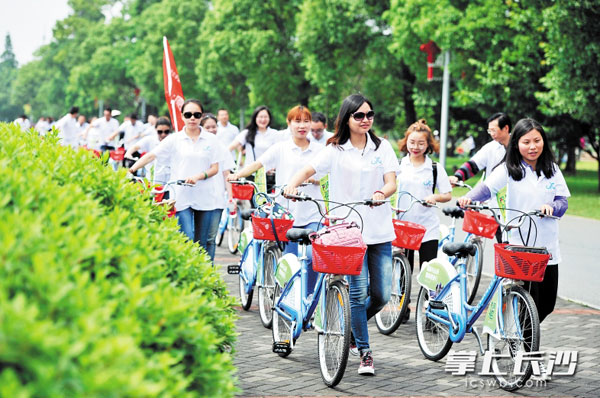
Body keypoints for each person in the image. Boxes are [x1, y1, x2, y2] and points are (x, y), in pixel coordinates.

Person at [284, 94, 399, 376]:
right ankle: (365, 352)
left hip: (380, 229)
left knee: (382, 296)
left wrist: (380, 193)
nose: (365, 120)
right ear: (347, 118)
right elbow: (308, 170)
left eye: (369, 114)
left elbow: (392, 181)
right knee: (358, 294)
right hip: (348, 233)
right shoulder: (335, 149)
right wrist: (292, 185)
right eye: (359, 115)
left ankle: (347, 328)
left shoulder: (382, 147)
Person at [458, 118, 570, 371]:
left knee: (547, 304)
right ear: (516, 144)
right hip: (520, 244)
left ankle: (516, 331)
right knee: (527, 299)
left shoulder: (552, 168)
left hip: (548, 247)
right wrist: (467, 198)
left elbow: (563, 200)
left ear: (544, 141)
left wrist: (553, 207)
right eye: (526, 142)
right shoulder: (509, 169)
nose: (533, 146)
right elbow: (486, 189)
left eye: (537, 141)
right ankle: (525, 352)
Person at [229, 105, 325, 291]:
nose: (302, 125)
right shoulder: (281, 148)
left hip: (313, 213)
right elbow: (258, 164)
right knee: (290, 262)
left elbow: (328, 176)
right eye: (297, 121)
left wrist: (313, 179)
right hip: (287, 215)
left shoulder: (320, 150)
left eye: (306, 121)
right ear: (289, 124)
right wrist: (238, 175)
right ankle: (290, 299)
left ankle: (308, 299)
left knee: (313, 258)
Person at [128, 100, 222, 262]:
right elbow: (152, 155)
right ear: (182, 117)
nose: (192, 118)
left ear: (201, 117)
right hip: (181, 196)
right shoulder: (174, 139)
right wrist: (131, 170)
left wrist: (198, 176)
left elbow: (215, 168)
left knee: (202, 244)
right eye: (188, 115)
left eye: (196, 115)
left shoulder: (210, 140)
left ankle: (206, 280)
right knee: (187, 238)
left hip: (206, 197)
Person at [396, 119, 452, 322]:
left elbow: (447, 193)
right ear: (406, 142)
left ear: (428, 144)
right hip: (403, 225)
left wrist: (434, 197)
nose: (415, 147)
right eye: (412, 142)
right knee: (403, 269)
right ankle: (402, 308)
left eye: (421, 143)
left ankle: (431, 308)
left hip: (427, 227)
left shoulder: (435, 168)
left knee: (428, 269)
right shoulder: (399, 165)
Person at [449, 112, 512, 242]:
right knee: (502, 242)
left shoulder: (520, 147)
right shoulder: (490, 148)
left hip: (516, 202)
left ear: (506, 128)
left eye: (494, 130)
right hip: (497, 203)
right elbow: (473, 165)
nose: (491, 134)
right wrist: (458, 176)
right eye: (490, 131)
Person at [125, 117, 173, 184]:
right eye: (160, 132)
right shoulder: (150, 139)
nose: (163, 134)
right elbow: (136, 146)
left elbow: (150, 157)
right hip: (152, 179)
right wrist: (129, 152)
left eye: (166, 132)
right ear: (155, 129)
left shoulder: (173, 139)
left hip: (169, 180)